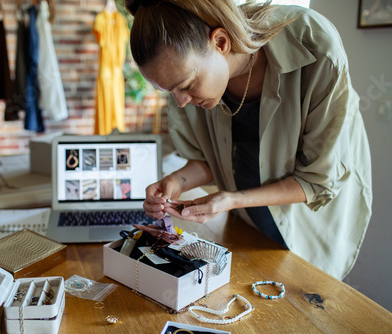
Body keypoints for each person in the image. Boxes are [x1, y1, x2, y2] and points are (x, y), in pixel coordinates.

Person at [126, 0, 372, 280]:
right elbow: (208, 160)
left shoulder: (315, 48)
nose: (181, 102)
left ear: (220, 42)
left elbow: (315, 181)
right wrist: (175, 181)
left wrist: (230, 199)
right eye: (170, 91)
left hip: (308, 225)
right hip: (244, 223)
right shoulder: (184, 80)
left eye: (186, 86)